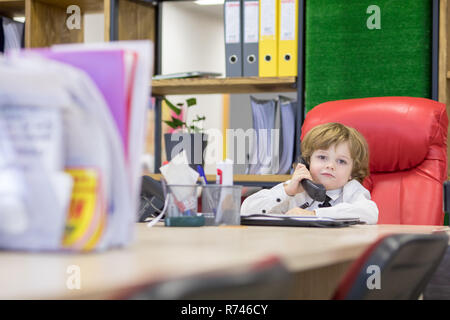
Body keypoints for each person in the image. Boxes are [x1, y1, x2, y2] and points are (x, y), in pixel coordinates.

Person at [241, 122, 378, 224]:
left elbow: (369, 213)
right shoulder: (295, 189)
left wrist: (314, 214)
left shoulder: (352, 190)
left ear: (352, 173)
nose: (330, 166)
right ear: (307, 162)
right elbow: (247, 211)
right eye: (322, 157)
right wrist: (287, 192)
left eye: (341, 161)